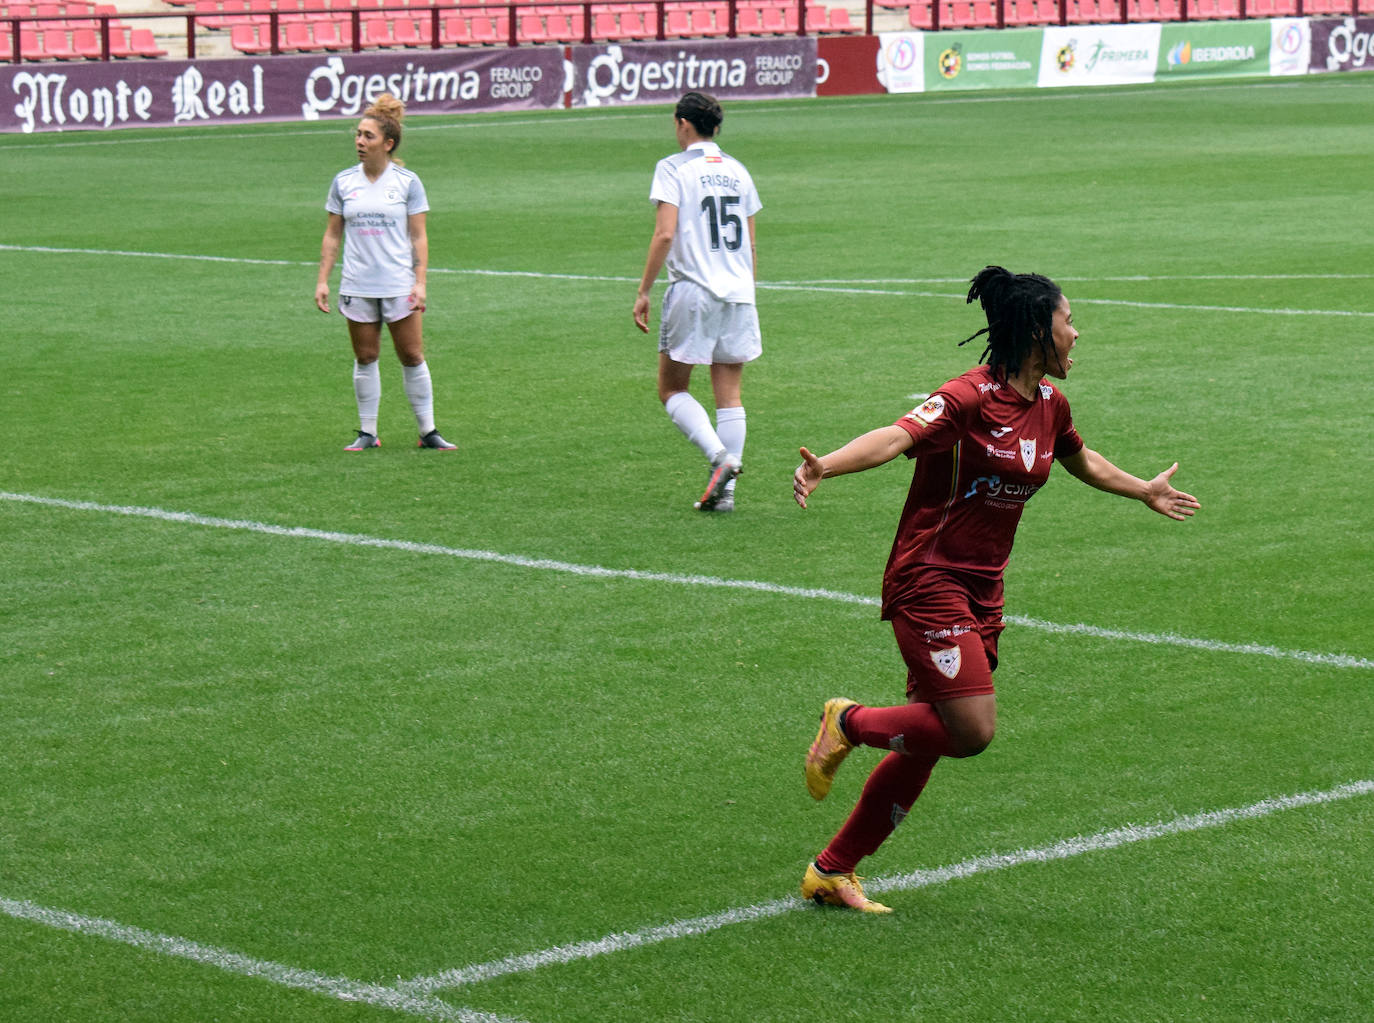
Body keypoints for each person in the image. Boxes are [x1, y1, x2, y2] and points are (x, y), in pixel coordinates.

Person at [793, 266, 1201, 913]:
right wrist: (828, 465)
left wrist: (1142, 488)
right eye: (1070, 321)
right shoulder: (968, 397)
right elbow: (898, 436)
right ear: (1040, 330)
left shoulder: (1049, 406)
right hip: (929, 577)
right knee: (971, 728)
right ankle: (847, 721)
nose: (1078, 333)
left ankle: (832, 869)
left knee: (933, 735)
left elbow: (1081, 460)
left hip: (984, 591)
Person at [633, 91, 762, 512]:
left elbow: (665, 234)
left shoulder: (672, 168)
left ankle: (719, 458)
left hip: (694, 290)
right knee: (730, 393)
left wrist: (644, 290)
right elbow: (752, 243)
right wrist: (748, 291)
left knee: (672, 388)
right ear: (717, 128)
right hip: (740, 291)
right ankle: (726, 495)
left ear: (683, 124)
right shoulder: (739, 171)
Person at [315, 93, 456, 452]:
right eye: (358, 135)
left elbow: (418, 236)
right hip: (358, 284)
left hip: (398, 283)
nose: (360, 142)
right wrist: (322, 280)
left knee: (411, 355)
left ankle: (428, 431)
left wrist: (420, 282)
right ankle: (367, 432)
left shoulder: (407, 182)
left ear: (388, 144)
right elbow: (333, 234)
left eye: (368, 136)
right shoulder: (344, 182)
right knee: (365, 357)